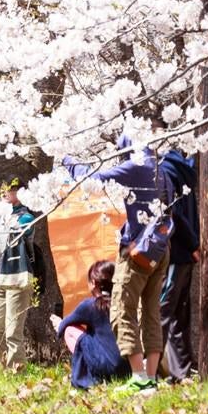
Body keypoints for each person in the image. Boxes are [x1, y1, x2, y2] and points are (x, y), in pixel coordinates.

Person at [65, 137, 173, 392]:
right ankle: (150, 377)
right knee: (150, 312)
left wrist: (68, 162)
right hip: (160, 248)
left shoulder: (135, 165)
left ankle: (138, 376)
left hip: (137, 250)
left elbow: (92, 180)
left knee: (121, 310)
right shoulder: (161, 168)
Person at [0, 187, 45, 370]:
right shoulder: (0, 218)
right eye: (3, 190)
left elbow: (20, 230)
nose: (4, 193)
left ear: (21, 193)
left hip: (19, 278)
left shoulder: (26, 216)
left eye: (10, 189)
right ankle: (8, 368)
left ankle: (17, 375)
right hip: (1, 279)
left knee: (12, 332)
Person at [159, 149, 199, 381]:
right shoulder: (187, 169)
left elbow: (173, 212)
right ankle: (181, 372)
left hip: (175, 251)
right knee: (179, 316)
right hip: (189, 252)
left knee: (162, 311)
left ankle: (150, 370)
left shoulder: (165, 170)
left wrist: (191, 243)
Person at [56, 260, 128, 390]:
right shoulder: (125, 302)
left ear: (93, 283)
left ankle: (86, 375)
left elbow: (63, 326)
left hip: (107, 366)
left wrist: (58, 323)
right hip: (130, 367)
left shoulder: (91, 305)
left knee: (70, 330)